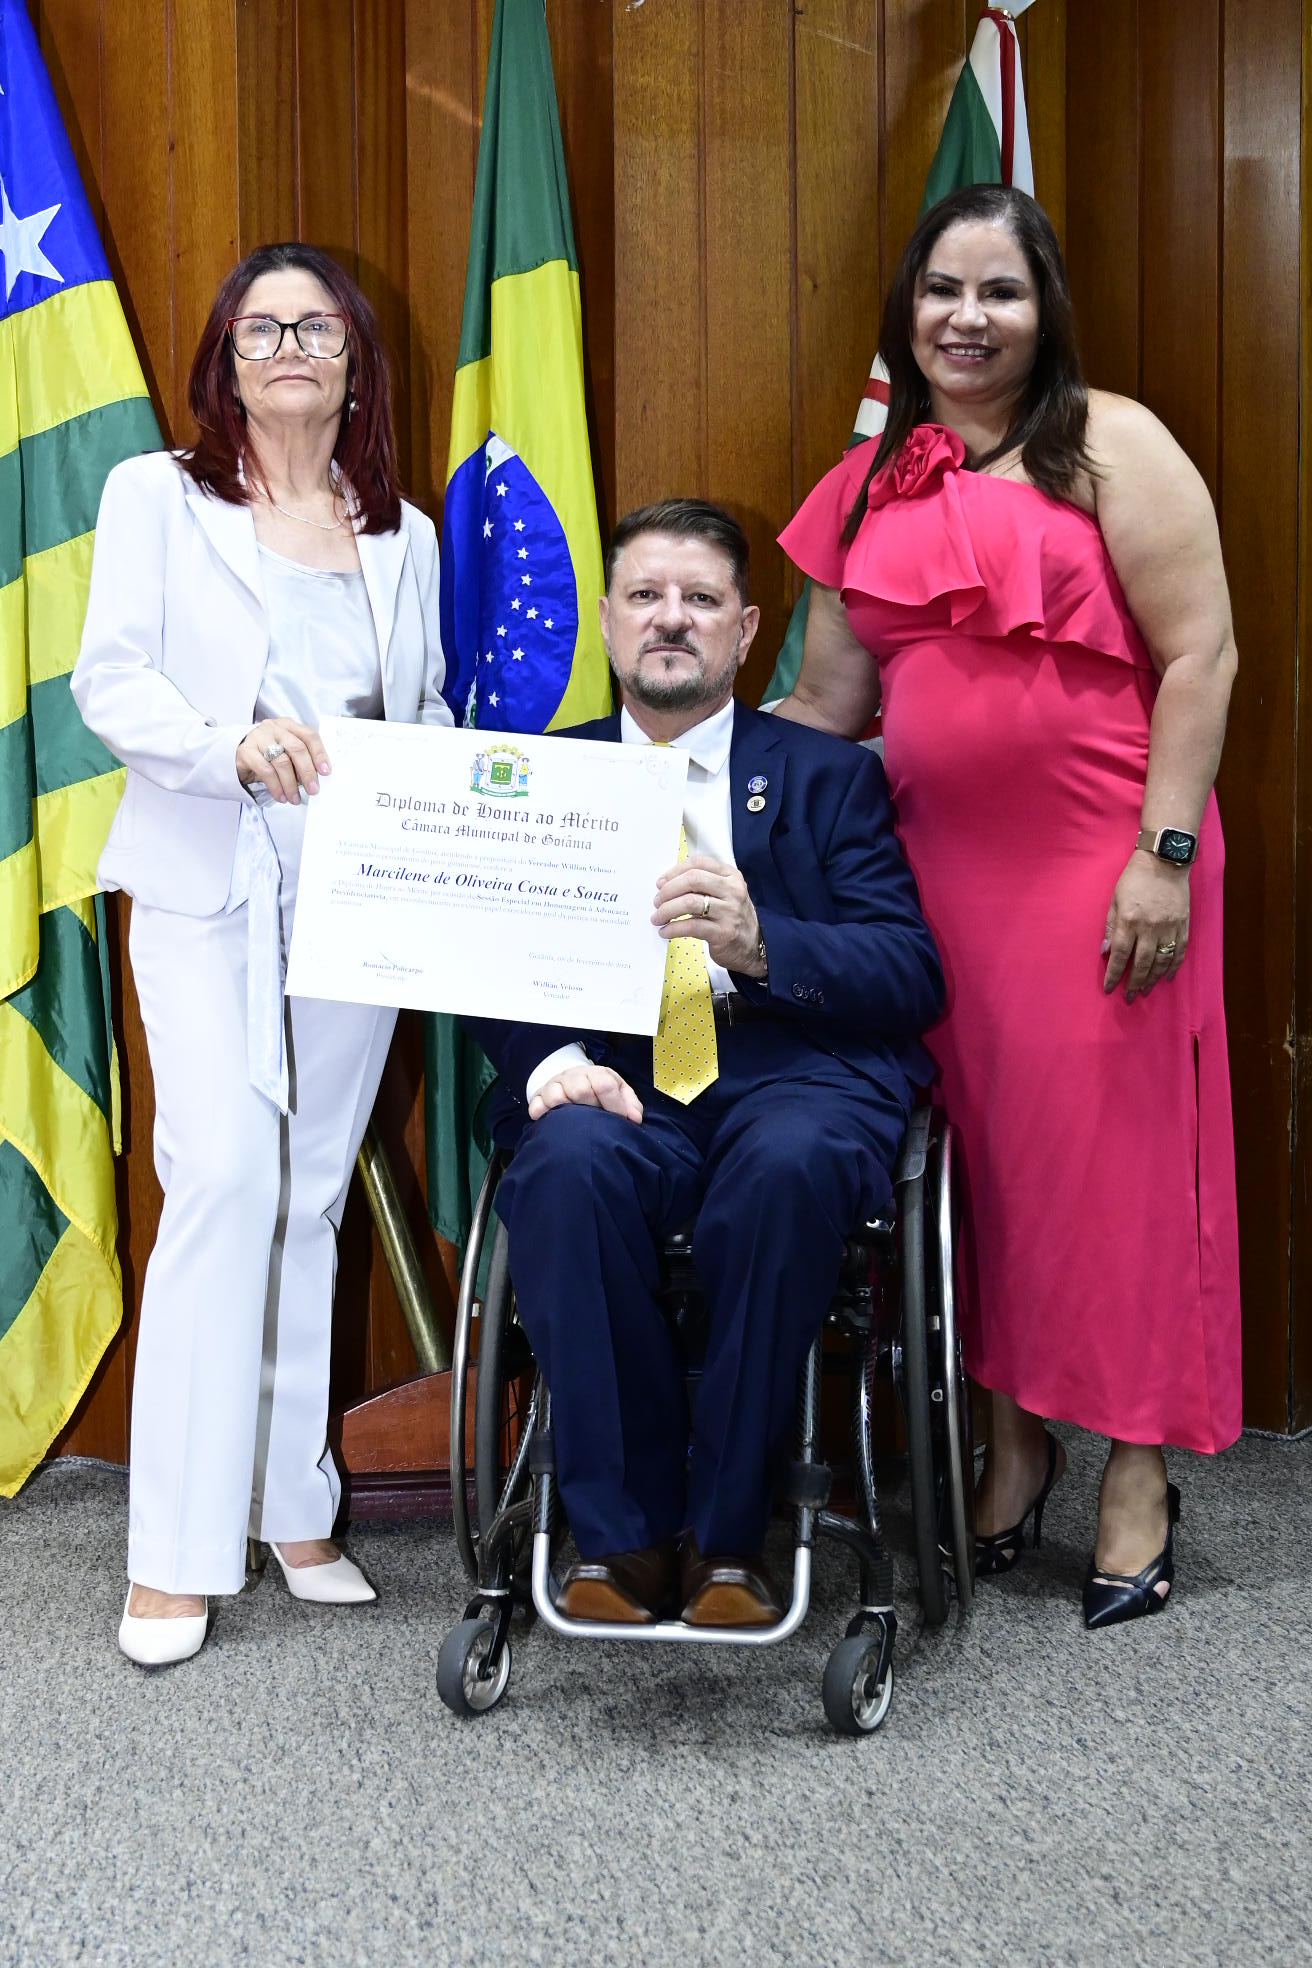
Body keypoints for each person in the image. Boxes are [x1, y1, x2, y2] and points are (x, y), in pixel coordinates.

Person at [777, 184, 1241, 1628]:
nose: (966, 318)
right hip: (934, 888)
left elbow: (1204, 656)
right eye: (942, 290)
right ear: (904, 311)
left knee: (1116, 1178)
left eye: (1000, 291)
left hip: (1110, 868)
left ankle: (1137, 1474)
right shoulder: (867, 483)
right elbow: (825, 708)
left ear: (1045, 313)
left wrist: (1164, 852)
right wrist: (652, 771)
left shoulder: (1113, 443)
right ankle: (1014, 1443)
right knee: (982, 1173)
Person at [71, 242, 452, 1666]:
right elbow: (111, 677)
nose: (291, 347)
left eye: (318, 328)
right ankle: (173, 1553)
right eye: (261, 328)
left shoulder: (405, 535)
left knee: (308, 1194)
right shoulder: (158, 497)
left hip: (358, 898)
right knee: (225, 1177)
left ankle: (290, 1504)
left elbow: (419, 707)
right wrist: (226, 748)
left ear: (356, 364)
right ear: (225, 363)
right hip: (208, 880)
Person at [468, 499, 943, 1625]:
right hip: (621, 1079)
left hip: (797, 1078)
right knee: (566, 1166)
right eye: (645, 596)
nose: (670, 619)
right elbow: (483, 960)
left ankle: (730, 1538)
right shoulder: (538, 775)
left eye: (699, 599)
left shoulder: (828, 777)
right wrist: (554, 1061)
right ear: (605, 620)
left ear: (745, 628)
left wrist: (765, 944)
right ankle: (624, 1541)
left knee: (786, 1169)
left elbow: (911, 974)